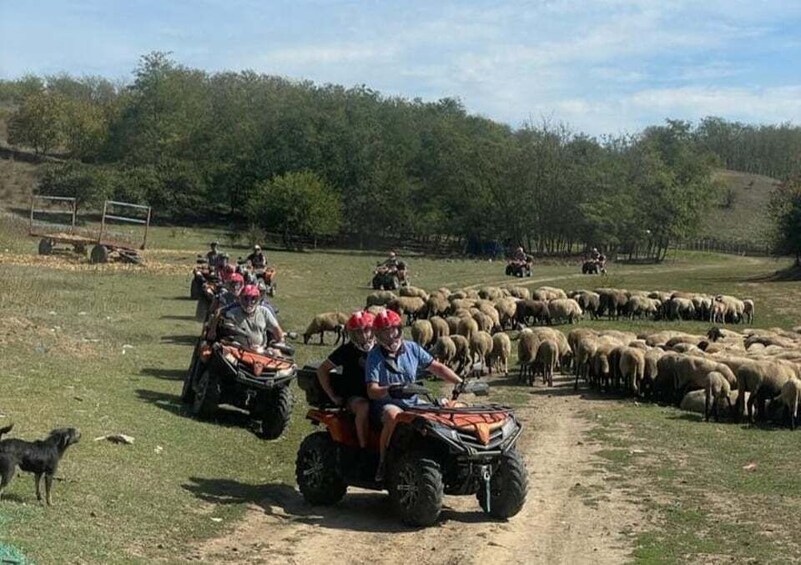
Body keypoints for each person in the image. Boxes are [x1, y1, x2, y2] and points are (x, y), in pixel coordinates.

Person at [365, 310, 462, 482]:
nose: (390, 335)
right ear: (378, 334)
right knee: (392, 415)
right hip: (386, 403)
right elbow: (372, 390)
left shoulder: (412, 348)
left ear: (399, 329)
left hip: (412, 401)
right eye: (385, 332)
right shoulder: (374, 356)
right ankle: (383, 461)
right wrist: (388, 390)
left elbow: (437, 367)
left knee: (440, 413)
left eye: (393, 330)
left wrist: (459, 381)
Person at [315, 311, 375, 450]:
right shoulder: (347, 350)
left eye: (366, 330)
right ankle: (363, 450)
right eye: (358, 332)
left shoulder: (380, 348)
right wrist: (332, 395)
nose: (364, 335)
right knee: (363, 407)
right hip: (356, 396)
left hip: (379, 393)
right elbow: (322, 370)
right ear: (352, 333)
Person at [207, 284, 284, 347]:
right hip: (238, 349)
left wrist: (280, 341)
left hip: (261, 350)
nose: (249, 302)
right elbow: (222, 316)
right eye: (245, 298)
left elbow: (277, 329)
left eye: (253, 298)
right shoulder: (233, 312)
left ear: (258, 299)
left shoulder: (265, 312)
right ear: (240, 298)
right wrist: (213, 330)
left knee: (278, 355)